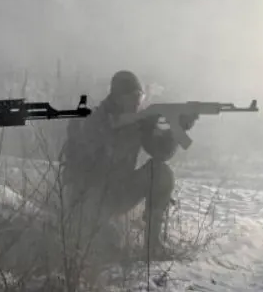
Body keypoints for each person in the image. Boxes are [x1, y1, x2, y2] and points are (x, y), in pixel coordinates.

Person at [60, 70, 197, 260]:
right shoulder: (93, 120)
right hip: (87, 201)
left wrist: (177, 127)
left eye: (139, 97)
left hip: (117, 193)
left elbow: (161, 153)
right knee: (106, 250)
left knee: (161, 173)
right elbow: (89, 156)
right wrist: (130, 128)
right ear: (117, 97)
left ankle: (152, 247)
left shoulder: (135, 122)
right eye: (132, 97)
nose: (137, 102)